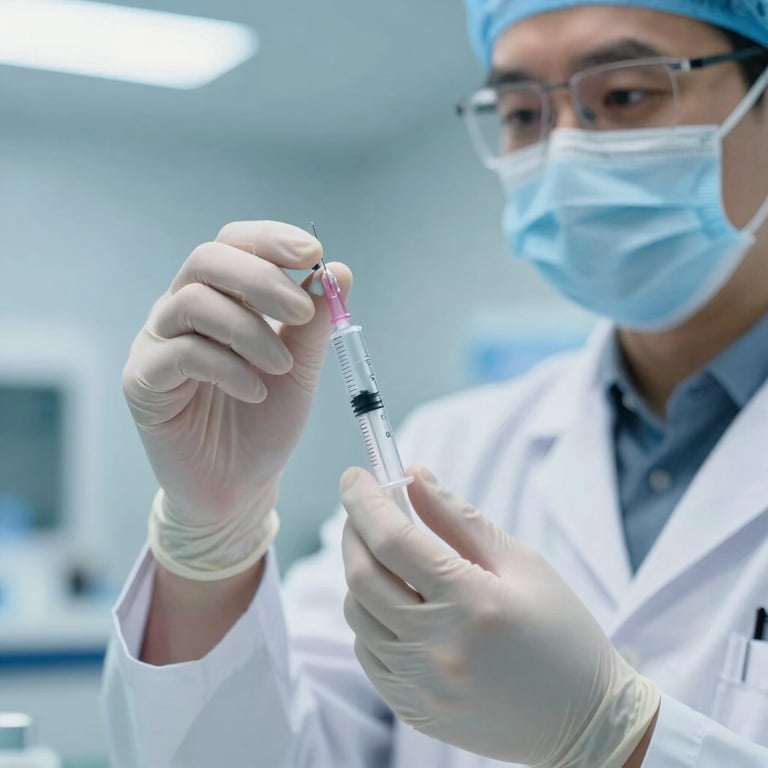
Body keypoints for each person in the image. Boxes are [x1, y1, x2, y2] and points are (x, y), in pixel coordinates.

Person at [103, 1, 768, 766]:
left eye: (623, 95)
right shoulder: (451, 446)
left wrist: (620, 741)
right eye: (522, 112)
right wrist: (209, 537)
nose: (564, 152)